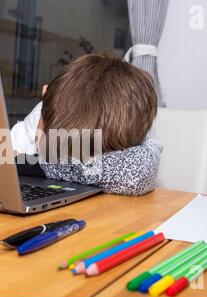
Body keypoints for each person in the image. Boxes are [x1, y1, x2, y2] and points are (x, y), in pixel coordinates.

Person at [11, 52, 162, 195]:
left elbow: (138, 171)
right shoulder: (39, 119)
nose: (59, 158)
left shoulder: (121, 128)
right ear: (45, 95)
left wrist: (35, 165)